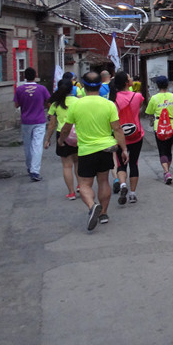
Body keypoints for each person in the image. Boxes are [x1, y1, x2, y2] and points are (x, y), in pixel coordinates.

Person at [58, 71, 129, 231]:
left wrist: (61, 140)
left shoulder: (76, 104)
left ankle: (92, 206)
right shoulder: (108, 104)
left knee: (84, 184)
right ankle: (103, 214)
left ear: (82, 86)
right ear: (100, 85)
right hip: (106, 148)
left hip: (86, 150)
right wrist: (124, 149)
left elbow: (66, 128)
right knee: (103, 181)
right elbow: (117, 128)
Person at [109, 71, 145, 205]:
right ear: (126, 82)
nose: (131, 79)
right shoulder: (138, 96)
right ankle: (133, 194)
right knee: (134, 163)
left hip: (119, 136)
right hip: (136, 134)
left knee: (120, 163)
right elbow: (138, 109)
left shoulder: (112, 100)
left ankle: (123, 184)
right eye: (129, 77)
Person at [44, 79, 79, 199]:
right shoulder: (78, 102)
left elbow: (52, 125)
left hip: (63, 136)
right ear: (72, 89)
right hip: (78, 135)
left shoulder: (55, 104)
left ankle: (71, 192)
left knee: (67, 166)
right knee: (78, 162)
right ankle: (81, 185)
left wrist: (48, 139)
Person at [14, 67, 50, 181]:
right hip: (39, 121)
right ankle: (35, 171)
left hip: (26, 121)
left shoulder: (19, 89)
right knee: (37, 145)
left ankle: (29, 167)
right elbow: (49, 103)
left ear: (24, 76)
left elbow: (16, 105)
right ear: (35, 75)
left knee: (28, 145)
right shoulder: (42, 89)